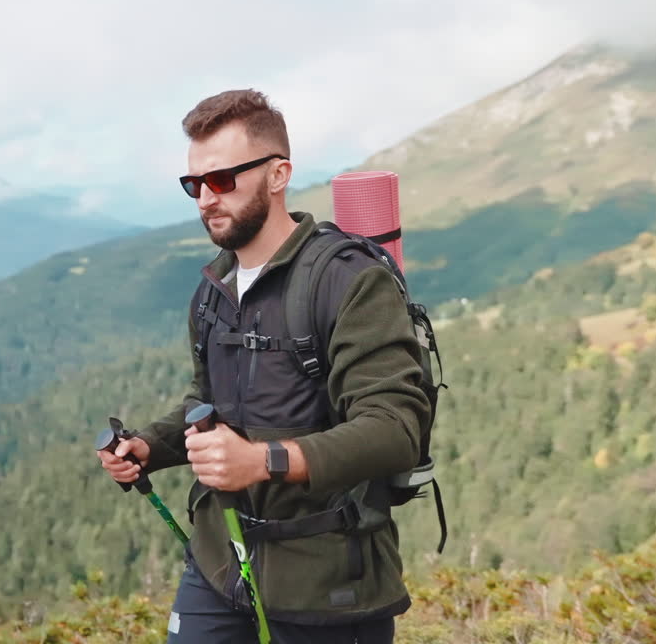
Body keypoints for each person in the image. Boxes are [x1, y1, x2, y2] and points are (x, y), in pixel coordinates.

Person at [97, 89, 432, 643]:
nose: (206, 198)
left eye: (222, 179)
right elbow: (208, 404)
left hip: (328, 582)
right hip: (219, 563)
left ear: (279, 175)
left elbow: (395, 430)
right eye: (194, 184)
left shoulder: (348, 282)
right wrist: (150, 447)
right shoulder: (214, 288)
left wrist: (261, 461)